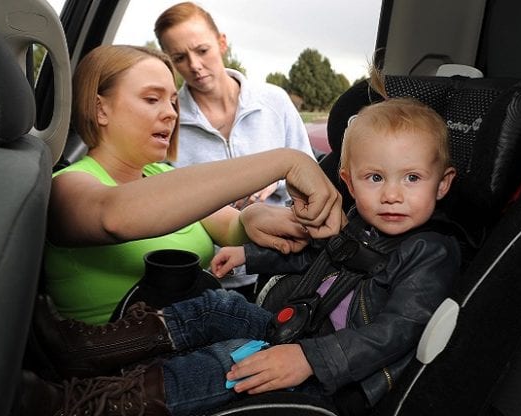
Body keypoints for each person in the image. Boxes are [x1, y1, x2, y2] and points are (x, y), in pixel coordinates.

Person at [24, 86, 461, 416]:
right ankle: (81, 351)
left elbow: (397, 330)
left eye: (412, 179)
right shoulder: (356, 224)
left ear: (442, 184)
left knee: (230, 362)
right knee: (215, 305)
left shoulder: (431, 251)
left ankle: (83, 404)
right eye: (376, 179)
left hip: (335, 376)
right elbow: (315, 259)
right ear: (347, 181)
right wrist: (251, 256)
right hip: (297, 331)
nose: (393, 196)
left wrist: (311, 358)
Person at [42, 44, 342, 325]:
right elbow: (114, 216)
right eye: (151, 99)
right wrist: (283, 161)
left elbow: (231, 226)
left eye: (173, 101)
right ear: (100, 109)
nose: (171, 112)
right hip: (121, 372)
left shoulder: (162, 174)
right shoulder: (65, 185)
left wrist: (254, 217)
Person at [153, 2, 318, 298]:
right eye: (179, 57)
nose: (194, 65)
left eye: (202, 50)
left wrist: (273, 178)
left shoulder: (274, 101)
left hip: (283, 267)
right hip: (210, 280)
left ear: (222, 42)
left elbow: (309, 178)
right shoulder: (168, 122)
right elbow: (168, 203)